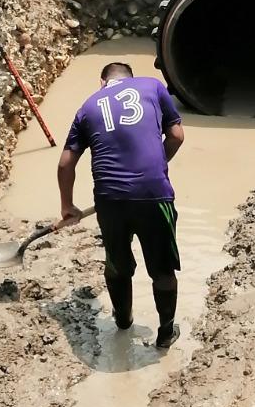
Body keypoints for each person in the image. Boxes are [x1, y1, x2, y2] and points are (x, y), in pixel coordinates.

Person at [58, 61, 185, 348]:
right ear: (130, 77)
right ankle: (166, 334)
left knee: (117, 263)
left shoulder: (88, 106)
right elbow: (176, 135)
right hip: (154, 194)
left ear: (102, 83)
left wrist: (68, 206)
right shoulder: (152, 86)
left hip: (110, 200)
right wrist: (156, 168)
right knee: (162, 270)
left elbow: (66, 163)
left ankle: (123, 323)